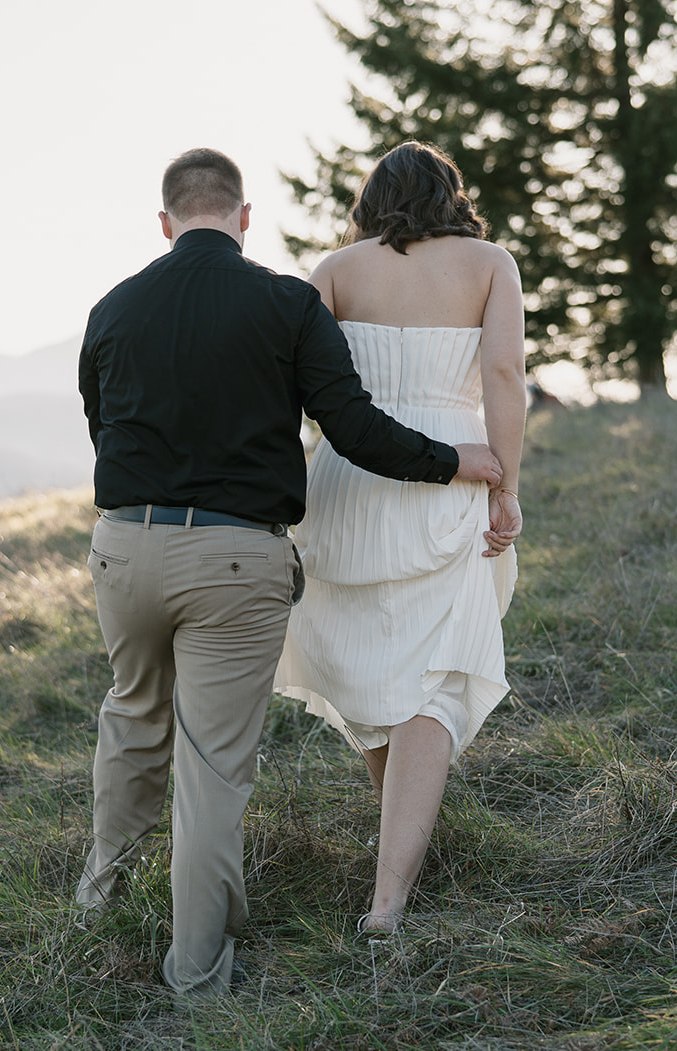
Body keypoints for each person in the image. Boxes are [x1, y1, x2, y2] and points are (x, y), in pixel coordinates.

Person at [75, 147, 505, 996]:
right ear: (243, 216)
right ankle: (196, 968)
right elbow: (351, 426)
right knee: (211, 764)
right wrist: (461, 462)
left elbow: (101, 422)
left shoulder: (113, 306)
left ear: (165, 223)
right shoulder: (283, 302)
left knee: (130, 715)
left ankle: (99, 892)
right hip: (235, 556)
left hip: (123, 545)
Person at [274, 141, 526, 934]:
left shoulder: (337, 270)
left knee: (378, 674)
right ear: (452, 196)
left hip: (347, 481)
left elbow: (292, 384)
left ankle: (397, 858)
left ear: (369, 200)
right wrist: (507, 485)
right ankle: (390, 895)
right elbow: (505, 378)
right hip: (453, 473)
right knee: (433, 683)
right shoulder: (490, 263)